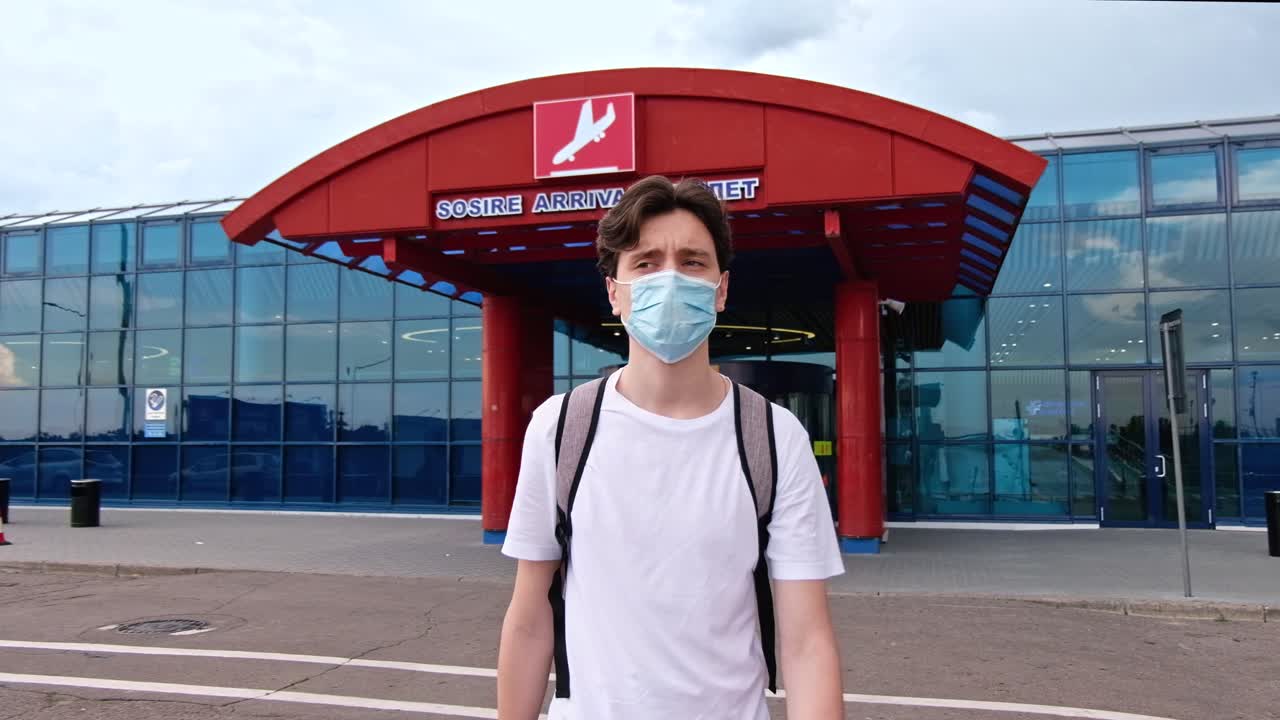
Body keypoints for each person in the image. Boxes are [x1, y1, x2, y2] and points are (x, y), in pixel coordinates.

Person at [497, 175, 845, 720]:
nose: (670, 278)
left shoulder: (775, 437)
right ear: (614, 292)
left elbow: (806, 642)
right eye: (645, 262)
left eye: (692, 261)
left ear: (721, 288)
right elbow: (528, 619)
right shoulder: (560, 428)